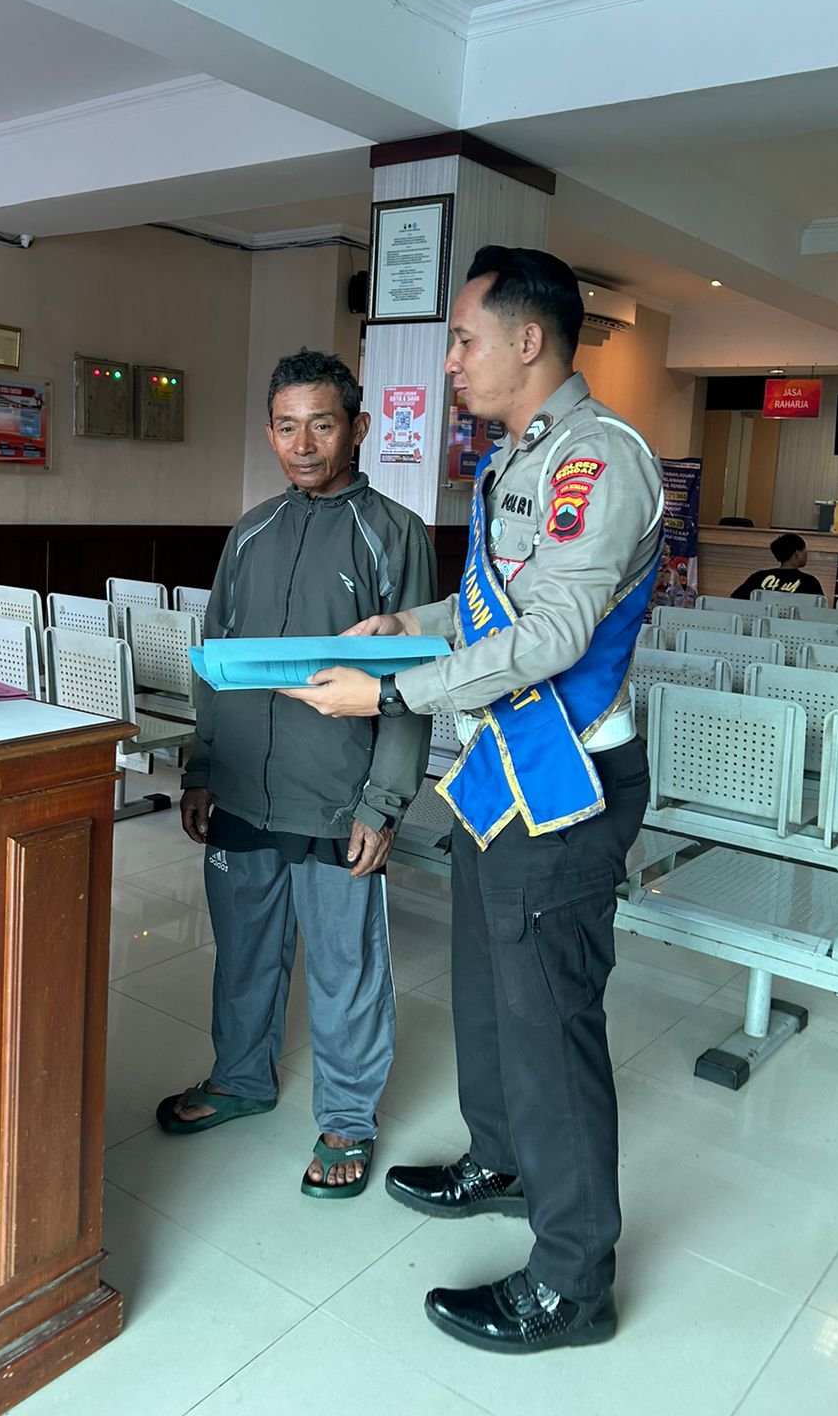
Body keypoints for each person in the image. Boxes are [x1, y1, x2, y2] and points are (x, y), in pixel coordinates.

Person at [284, 248, 664, 1349]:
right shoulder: (517, 458)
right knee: (493, 996)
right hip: (505, 771)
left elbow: (552, 636)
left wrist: (388, 691)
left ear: (528, 340)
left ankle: (572, 1281)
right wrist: (408, 626)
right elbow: (496, 608)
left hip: (567, 780)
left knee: (551, 1027)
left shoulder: (599, 460)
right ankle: (501, 1158)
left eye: (462, 338)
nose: (448, 360)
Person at [156, 351, 434, 1197]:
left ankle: (348, 1119)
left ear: (358, 428)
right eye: (286, 426)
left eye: (322, 424)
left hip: (337, 795)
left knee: (345, 967)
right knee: (243, 949)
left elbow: (412, 680)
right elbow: (214, 658)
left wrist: (384, 802)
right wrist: (204, 766)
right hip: (243, 785)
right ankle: (241, 1077)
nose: (303, 444)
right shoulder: (250, 532)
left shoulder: (394, 533)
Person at [731, 533, 824, 599]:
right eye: (804, 551)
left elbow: (734, 601)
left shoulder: (758, 577)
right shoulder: (810, 582)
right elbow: (820, 612)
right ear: (797, 553)